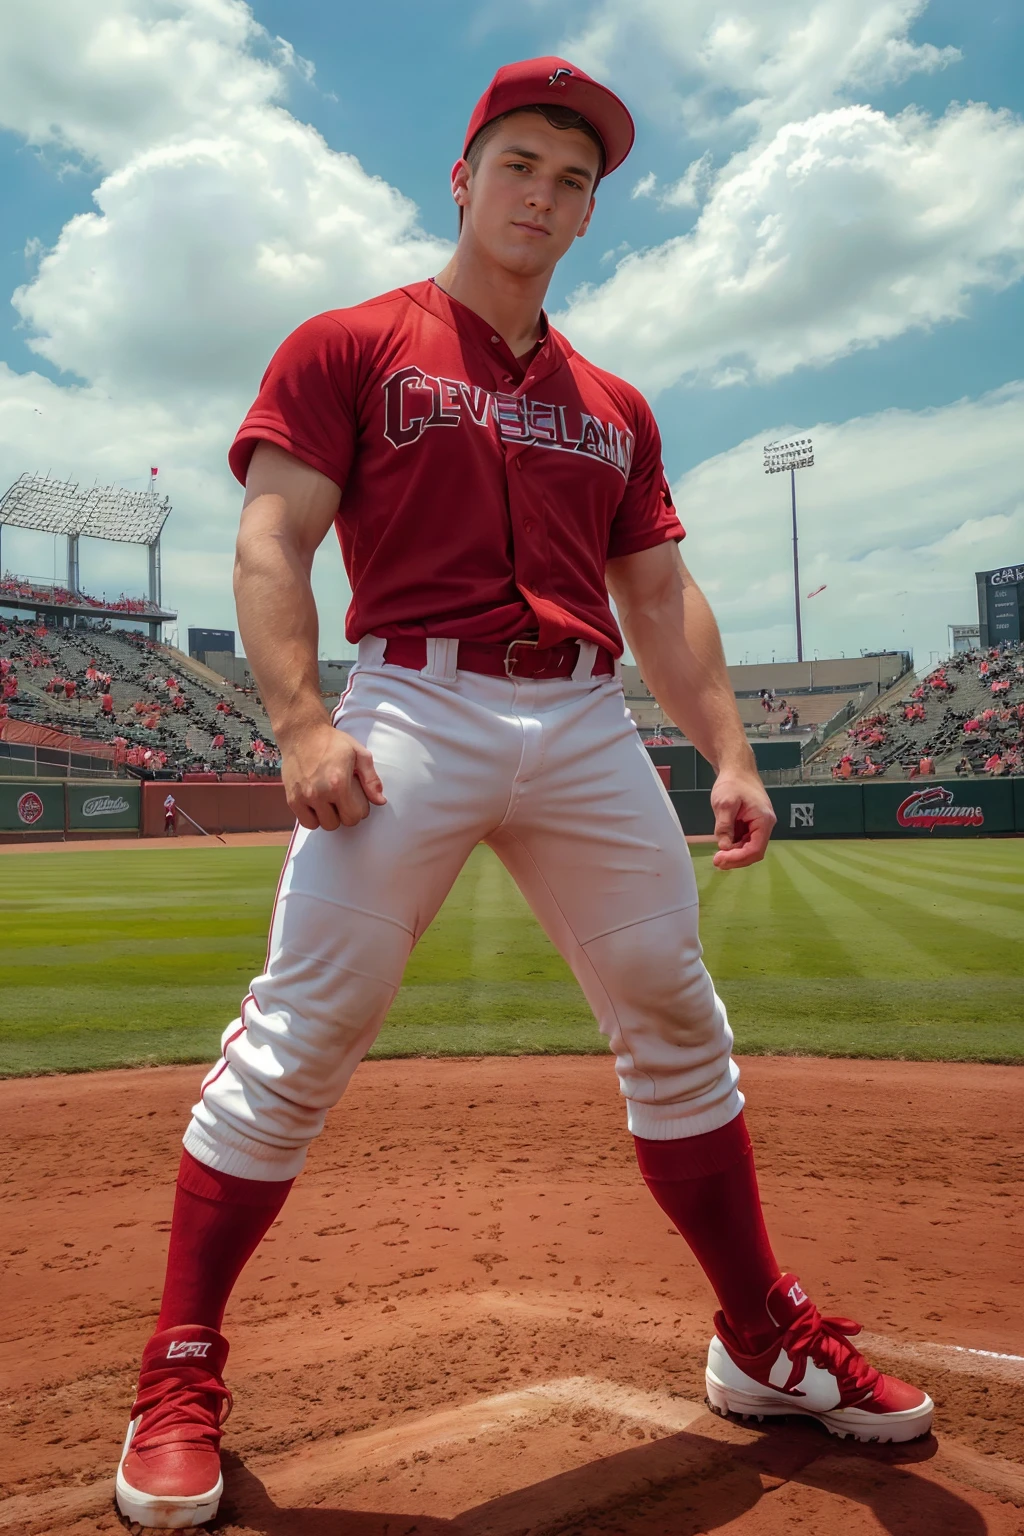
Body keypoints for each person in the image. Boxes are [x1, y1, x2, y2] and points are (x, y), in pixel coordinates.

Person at [113, 56, 932, 1533]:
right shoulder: (352, 342)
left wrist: (732, 753)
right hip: (412, 700)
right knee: (306, 1029)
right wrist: (300, 721)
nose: (544, 195)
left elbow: (664, 594)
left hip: (582, 717)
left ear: (589, 210)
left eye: (575, 179)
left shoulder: (612, 401)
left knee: (677, 1021)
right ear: (464, 176)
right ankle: (178, 1373)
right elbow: (269, 542)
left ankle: (759, 1339)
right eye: (522, 165)